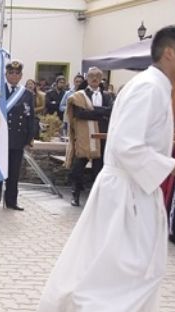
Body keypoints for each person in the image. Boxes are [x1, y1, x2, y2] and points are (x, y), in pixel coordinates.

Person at [37, 25, 175, 312]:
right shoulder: (149, 89)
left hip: (131, 189)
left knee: (127, 267)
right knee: (127, 268)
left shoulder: (153, 87)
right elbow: (126, 147)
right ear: (170, 53)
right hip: (128, 192)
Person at [66, 67, 114, 207]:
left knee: (99, 169)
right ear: (87, 78)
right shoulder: (79, 95)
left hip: (102, 135)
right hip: (85, 136)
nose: (94, 79)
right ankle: (75, 194)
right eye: (92, 76)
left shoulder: (108, 96)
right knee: (78, 167)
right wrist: (101, 112)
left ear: (101, 79)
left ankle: (96, 197)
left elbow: (111, 111)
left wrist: (92, 110)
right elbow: (80, 114)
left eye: (97, 76)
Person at [0, 59, 35, 211]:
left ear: (21, 76)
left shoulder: (26, 94)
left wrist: (30, 137)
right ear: (5, 74)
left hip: (17, 138)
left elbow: (30, 116)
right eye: (10, 73)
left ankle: (11, 201)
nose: (13, 76)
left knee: (14, 172)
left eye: (17, 73)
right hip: (0, 138)